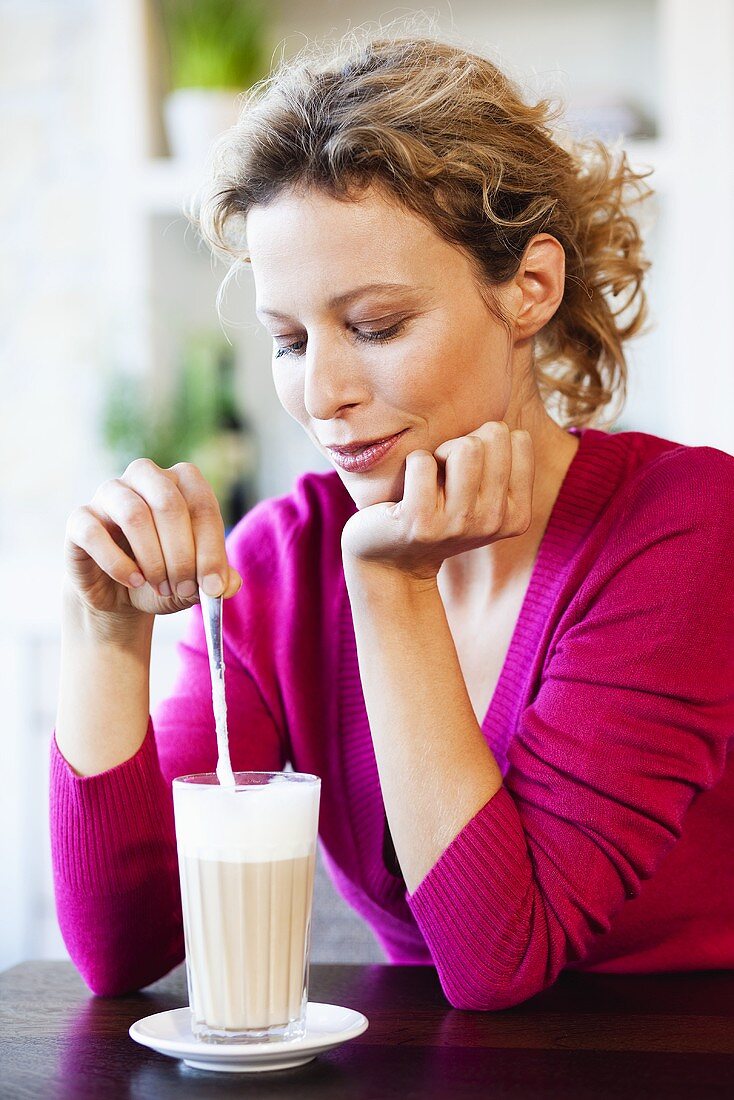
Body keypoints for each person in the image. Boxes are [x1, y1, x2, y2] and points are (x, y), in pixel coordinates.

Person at [52, 31, 734, 1011]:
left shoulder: (685, 532)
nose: (320, 393)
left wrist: (392, 586)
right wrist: (107, 636)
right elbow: (128, 948)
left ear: (528, 288)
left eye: (374, 327)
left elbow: (499, 957)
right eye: (288, 339)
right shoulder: (280, 563)